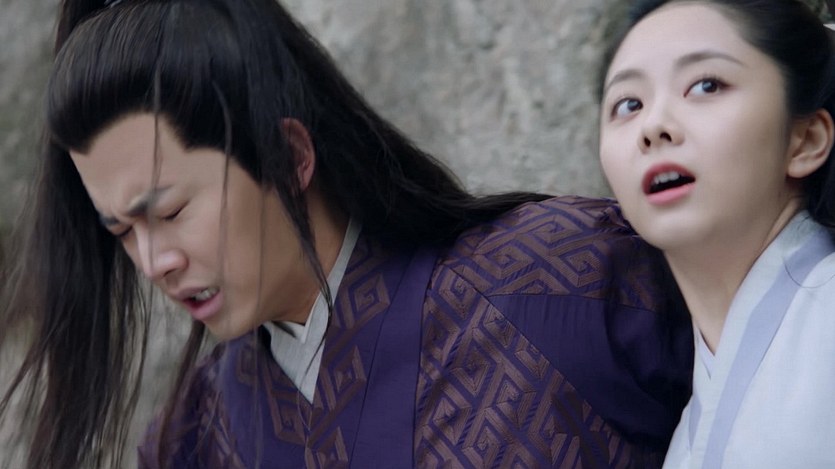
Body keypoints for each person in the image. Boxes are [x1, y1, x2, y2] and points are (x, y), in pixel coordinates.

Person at [0, 0, 694, 467]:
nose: (153, 261)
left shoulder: (566, 277)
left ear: (289, 157)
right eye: (122, 231)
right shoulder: (196, 438)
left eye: (171, 211)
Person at [598, 0, 835, 467]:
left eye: (706, 85)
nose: (653, 127)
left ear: (805, 139)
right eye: (629, 104)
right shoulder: (686, 441)